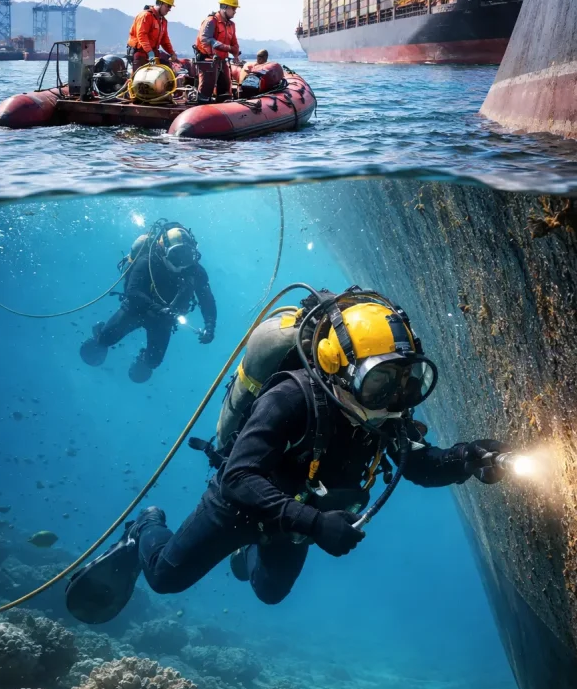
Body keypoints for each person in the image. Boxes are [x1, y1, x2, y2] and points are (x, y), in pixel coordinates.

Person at [67, 286, 505, 624]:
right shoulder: (291, 398)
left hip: (297, 520)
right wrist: (315, 524)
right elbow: (239, 477)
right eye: (379, 382)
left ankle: (250, 550)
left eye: (406, 381)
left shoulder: (385, 409)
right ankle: (146, 525)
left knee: (269, 593)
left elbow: (416, 464)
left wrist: (465, 459)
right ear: (340, 371)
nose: (392, 399)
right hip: (239, 507)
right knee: (164, 577)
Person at [79, 223, 216, 383]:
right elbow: (133, 291)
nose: (181, 263)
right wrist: (157, 308)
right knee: (103, 341)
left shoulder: (195, 271)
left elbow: (207, 300)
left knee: (153, 362)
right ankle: (100, 332)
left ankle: (142, 358)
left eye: (186, 256)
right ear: (163, 249)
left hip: (163, 320)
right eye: (176, 254)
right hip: (135, 310)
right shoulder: (147, 261)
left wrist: (210, 326)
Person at [194, 0, 241, 103]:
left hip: (221, 60)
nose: (235, 11)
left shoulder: (231, 25)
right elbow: (205, 39)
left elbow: (234, 43)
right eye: (233, 8)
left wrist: (235, 54)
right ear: (224, 8)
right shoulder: (211, 21)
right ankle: (202, 104)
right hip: (208, 60)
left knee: (225, 87)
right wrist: (223, 49)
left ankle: (223, 105)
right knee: (207, 86)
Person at [128, 0, 178, 73]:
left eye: (170, 7)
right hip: (140, 53)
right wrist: (150, 53)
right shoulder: (146, 16)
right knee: (140, 79)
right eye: (168, 6)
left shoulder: (163, 21)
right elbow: (142, 35)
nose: (169, 9)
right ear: (161, 3)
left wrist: (172, 53)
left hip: (153, 54)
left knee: (166, 71)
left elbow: (165, 40)